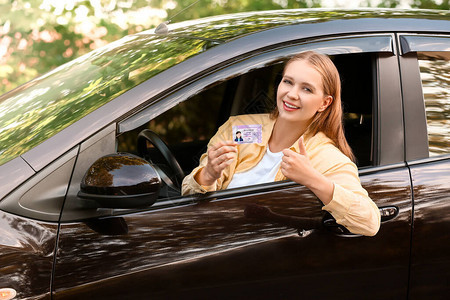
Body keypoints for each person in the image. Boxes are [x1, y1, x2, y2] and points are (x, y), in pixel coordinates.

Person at [182, 51, 380, 236]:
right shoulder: (241, 128)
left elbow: (369, 223)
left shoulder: (325, 156)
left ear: (324, 103)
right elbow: (187, 197)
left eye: (307, 89)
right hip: (212, 241)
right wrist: (207, 175)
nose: (292, 94)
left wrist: (312, 179)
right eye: (288, 82)